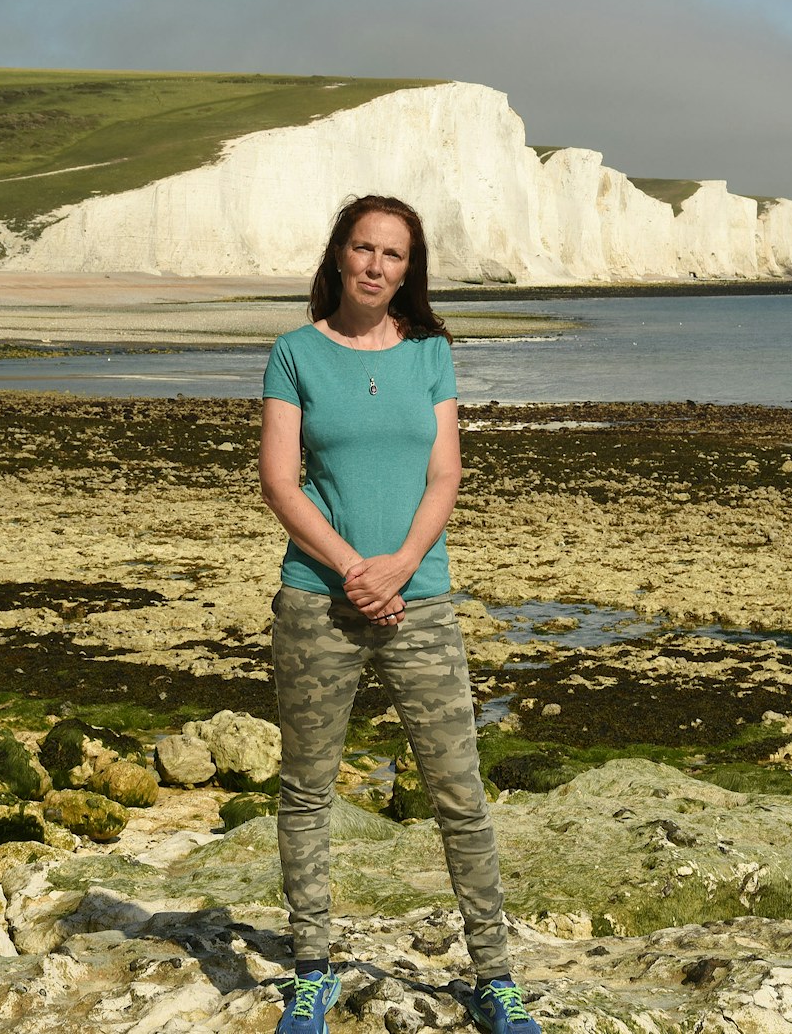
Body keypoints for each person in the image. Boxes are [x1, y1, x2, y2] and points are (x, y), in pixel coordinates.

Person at [259, 194, 541, 1034]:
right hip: (318, 600)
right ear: (339, 255)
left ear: (409, 271)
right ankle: (311, 970)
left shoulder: (431, 354)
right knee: (307, 792)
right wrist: (353, 570)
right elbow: (279, 480)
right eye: (364, 248)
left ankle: (496, 981)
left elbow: (445, 474)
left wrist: (403, 566)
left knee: (460, 794)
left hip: (421, 600)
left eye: (395, 255)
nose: (377, 266)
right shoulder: (294, 352)